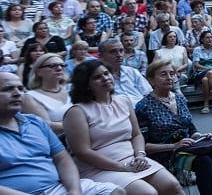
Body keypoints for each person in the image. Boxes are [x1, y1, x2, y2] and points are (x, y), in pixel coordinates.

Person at [63, 59, 184, 194]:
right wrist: (121, 167)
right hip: (98, 168)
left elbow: (136, 134)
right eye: (97, 77)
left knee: (173, 186)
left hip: (133, 160)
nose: (105, 78)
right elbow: (82, 152)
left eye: (106, 73)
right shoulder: (77, 112)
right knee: (147, 193)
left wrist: (140, 155)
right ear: (86, 84)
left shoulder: (123, 101)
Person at [0, 72, 125, 195]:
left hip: (57, 188)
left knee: (115, 192)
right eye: (8, 89)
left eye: (21, 89)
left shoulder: (35, 122)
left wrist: (74, 190)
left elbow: (62, 159)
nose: (17, 93)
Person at [136, 59, 212, 195]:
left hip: (187, 148)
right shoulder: (143, 106)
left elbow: (190, 128)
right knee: (203, 161)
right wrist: (174, 146)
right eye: (163, 74)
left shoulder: (180, 99)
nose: (169, 78)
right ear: (151, 80)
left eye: (172, 74)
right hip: (165, 154)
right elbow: (144, 146)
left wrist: (199, 136)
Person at [21, 53, 71, 134]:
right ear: (38, 72)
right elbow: (46, 126)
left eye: (62, 65)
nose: (59, 68)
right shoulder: (30, 97)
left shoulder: (70, 89)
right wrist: (81, 124)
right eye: (52, 66)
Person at [98, 38, 152, 106]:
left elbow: (148, 93)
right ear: (101, 56)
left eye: (121, 51)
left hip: (143, 109)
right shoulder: (100, 78)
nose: (119, 55)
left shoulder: (132, 71)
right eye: (113, 51)